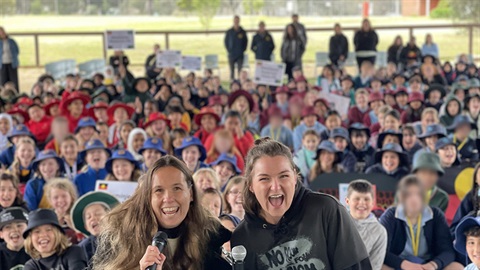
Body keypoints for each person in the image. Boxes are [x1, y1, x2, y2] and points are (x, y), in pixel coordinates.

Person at [231, 138, 371, 269]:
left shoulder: (327, 210)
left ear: (295, 178)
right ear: (250, 185)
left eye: (284, 176)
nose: (275, 186)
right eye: (264, 179)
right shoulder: (242, 237)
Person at [92, 156, 231, 270]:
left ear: (191, 194)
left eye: (177, 188)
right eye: (159, 190)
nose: (168, 199)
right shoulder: (119, 233)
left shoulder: (210, 233)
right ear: (148, 197)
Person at [379, 175, 459, 270]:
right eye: (408, 194)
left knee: (457, 267)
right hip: (399, 264)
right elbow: (381, 250)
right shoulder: (391, 215)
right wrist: (404, 264)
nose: (414, 199)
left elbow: (448, 251)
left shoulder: (436, 215)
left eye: (418, 194)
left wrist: (433, 265)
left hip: (428, 264)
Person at [23, 209, 88, 269]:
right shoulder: (31, 265)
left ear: (58, 234)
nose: (43, 235)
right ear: (30, 238)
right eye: (37, 231)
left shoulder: (73, 252)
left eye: (48, 229)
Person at [345, 180, 387, 270]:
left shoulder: (379, 231)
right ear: (347, 201)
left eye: (366, 199)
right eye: (357, 198)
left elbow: (374, 265)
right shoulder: (336, 222)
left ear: (373, 202)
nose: (361, 203)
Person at [70, 191, 120, 262]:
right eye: (88, 217)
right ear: (86, 227)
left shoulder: (123, 240)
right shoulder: (81, 249)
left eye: (98, 214)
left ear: (110, 217)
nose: (93, 218)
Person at [224, 15, 248, 81]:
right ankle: (232, 84)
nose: (236, 21)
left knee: (240, 71)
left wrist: (243, 50)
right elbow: (226, 42)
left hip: (240, 54)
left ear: (239, 21)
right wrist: (229, 50)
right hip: (231, 54)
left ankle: (240, 84)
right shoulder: (229, 31)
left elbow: (246, 42)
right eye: (235, 20)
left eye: (237, 20)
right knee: (232, 71)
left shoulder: (243, 32)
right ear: (233, 21)